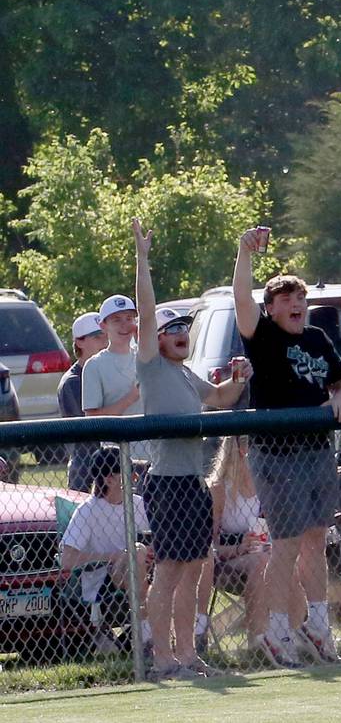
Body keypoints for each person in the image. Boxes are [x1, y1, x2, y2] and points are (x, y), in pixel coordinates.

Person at [132, 219, 250, 681]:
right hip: (167, 486)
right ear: (156, 339)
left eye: (185, 327)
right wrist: (142, 259)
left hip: (195, 486)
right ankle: (161, 658)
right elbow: (145, 312)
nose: (181, 332)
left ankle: (187, 656)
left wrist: (238, 380)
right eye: (171, 327)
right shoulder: (152, 366)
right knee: (169, 573)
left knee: (193, 574)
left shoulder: (185, 374)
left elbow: (219, 399)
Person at [232, 227, 341, 666]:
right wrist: (244, 253)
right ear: (271, 309)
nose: (296, 305)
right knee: (284, 543)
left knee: (316, 540)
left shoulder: (317, 339)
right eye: (285, 300)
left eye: (299, 298)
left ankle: (317, 627)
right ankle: (277, 630)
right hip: (276, 454)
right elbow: (242, 301)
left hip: (316, 450)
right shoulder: (262, 335)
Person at [206, 436, 303, 656]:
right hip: (228, 562)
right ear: (241, 449)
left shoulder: (267, 486)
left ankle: (294, 637)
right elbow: (209, 548)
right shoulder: (219, 489)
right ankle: (258, 643)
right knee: (262, 563)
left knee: (288, 564)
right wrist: (240, 547)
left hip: (265, 554)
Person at [59, 447, 151, 654]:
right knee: (135, 553)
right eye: (128, 472)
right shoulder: (88, 511)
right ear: (109, 479)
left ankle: (159, 636)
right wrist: (114, 556)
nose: (135, 477)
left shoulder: (138, 505)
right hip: (102, 580)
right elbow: (67, 559)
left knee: (142, 554)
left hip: (140, 572)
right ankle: (146, 639)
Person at [82, 295, 143, 464]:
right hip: (116, 461)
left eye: (129, 319)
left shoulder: (145, 358)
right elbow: (92, 420)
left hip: (152, 457)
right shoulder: (94, 365)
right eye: (116, 320)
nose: (125, 325)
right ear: (103, 326)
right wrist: (130, 398)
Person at [60, 312, 108, 492]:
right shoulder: (72, 382)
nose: (104, 342)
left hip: (111, 464)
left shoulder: (104, 373)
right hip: (86, 470)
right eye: (97, 337)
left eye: (106, 335)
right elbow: (93, 427)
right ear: (79, 342)